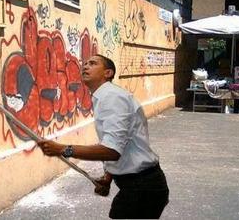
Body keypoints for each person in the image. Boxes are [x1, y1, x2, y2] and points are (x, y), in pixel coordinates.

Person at [38, 54, 169, 219]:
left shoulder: (112, 97)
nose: (85, 66)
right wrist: (108, 178)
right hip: (138, 186)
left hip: (142, 188)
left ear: (108, 73)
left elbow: (112, 151)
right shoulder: (105, 96)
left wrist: (63, 149)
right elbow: (120, 143)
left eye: (92, 63)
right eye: (85, 64)